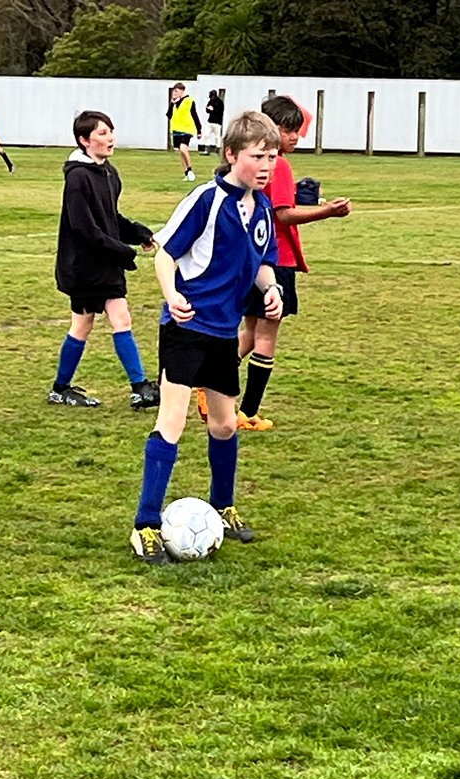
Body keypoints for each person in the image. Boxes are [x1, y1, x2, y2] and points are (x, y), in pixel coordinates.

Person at [130, 110, 284, 565]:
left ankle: (223, 506)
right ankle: (145, 525)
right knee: (172, 422)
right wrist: (172, 295)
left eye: (272, 157)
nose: (266, 166)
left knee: (224, 425)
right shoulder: (206, 199)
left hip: (223, 332)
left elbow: (262, 263)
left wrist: (271, 289)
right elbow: (164, 254)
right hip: (187, 328)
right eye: (257, 156)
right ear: (231, 154)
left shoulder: (263, 208)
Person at [236, 95, 352, 431]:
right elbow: (283, 214)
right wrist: (327, 211)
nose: (295, 137)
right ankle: (248, 412)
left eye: (297, 130)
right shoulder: (280, 165)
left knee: (251, 331)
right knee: (266, 337)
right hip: (276, 260)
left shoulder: (248, 161)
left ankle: (206, 381)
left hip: (249, 257)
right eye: (289, 130)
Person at [49, 110, 160, 411]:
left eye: (111, 131)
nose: (110, 137)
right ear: (84, 140)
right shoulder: (77, 178)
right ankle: (62, 388)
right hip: (83, 266)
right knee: (83, 325)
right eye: (101, 133)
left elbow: (110, 218)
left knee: (119, 319)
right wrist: (122, 252)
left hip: (105, 262)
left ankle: (139, 387)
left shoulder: (109, 173)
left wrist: (138, 233)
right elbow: (84, 229)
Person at [166, 82, 202, 182]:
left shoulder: (189, 101)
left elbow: (194, 115)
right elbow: (169, 115)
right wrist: (171, 103)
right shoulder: (174, 103)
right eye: (174, 91)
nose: (174, 93)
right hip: (176, 129)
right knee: (181, 152)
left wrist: (199, 129)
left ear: (182, 91)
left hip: (187, 129)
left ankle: (190, 170)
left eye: (176, 91)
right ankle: (186, 172)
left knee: (183, 148)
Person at [201, 89, 224, 155]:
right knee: (206, 135)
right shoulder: (210, 101)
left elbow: (219, 112)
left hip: (217, 122)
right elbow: (207, 110)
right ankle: (207, 149)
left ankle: (217, 149)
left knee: (217, 136)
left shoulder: (220, 102)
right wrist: (208, 109)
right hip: (210, 121)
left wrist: (213, 110)